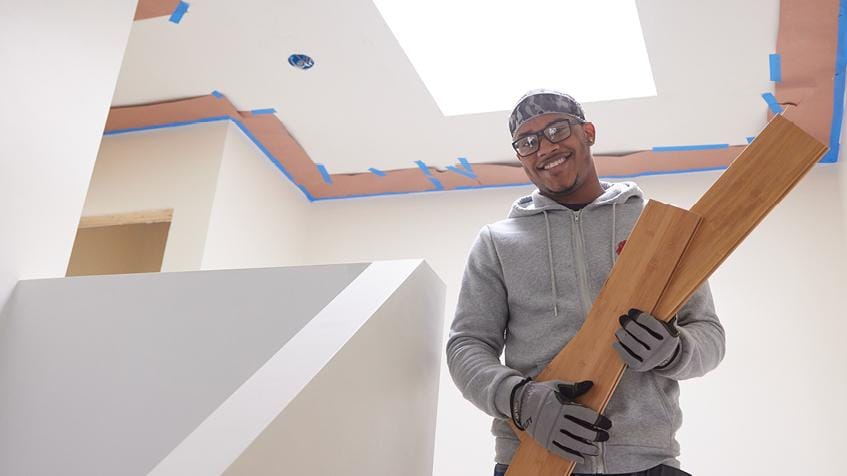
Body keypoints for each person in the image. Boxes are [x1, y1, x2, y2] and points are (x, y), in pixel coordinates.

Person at [446, 90, 725, 476]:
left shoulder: (656, 230)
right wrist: (521, 400)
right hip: (533, 459)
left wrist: (675, 350)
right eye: (528, 142)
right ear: (521, 157)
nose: (544, 148)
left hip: (648, 461)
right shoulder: (496, 242)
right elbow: (466, 344)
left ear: (588, 133)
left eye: (557, 130)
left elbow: (708, 332)